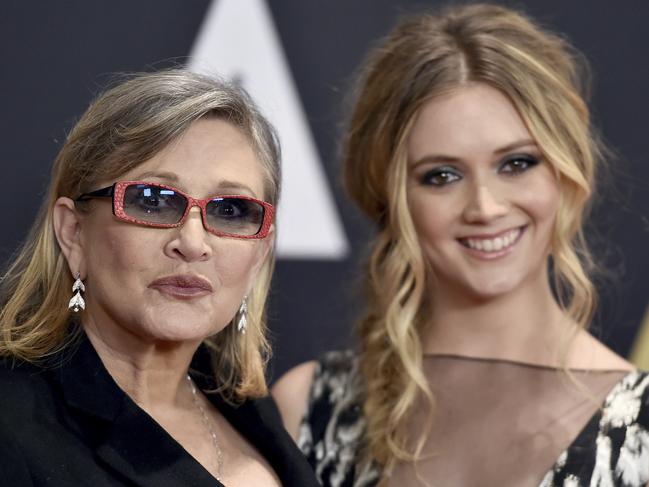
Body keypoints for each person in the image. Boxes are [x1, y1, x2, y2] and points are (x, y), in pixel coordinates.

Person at [272, 4, 649, 486]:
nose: (485, 207)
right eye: (442, 176)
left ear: (566, 170)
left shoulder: (637, 428)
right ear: (390, 195)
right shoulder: (309, 408)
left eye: (516, 163)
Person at [0, 69, 319, 487]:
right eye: (152, 201)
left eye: (231, 210)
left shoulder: (247, 407)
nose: (192, 242)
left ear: (260, 251)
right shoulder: (13, 422)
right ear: (73, 232)